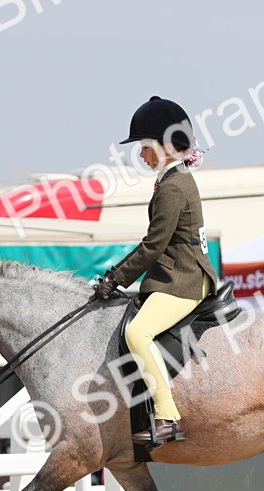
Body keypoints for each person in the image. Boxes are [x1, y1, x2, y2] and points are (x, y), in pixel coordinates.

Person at [95, 96, 218, 444]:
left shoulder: (175, 186)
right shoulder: (172, 179)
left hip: (186, 279)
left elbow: (154, 245)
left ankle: (166, 414)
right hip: (177, 273)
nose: (141, 155)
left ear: (165, 145)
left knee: (137, 333)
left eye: (144, 147)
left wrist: (114, 279)